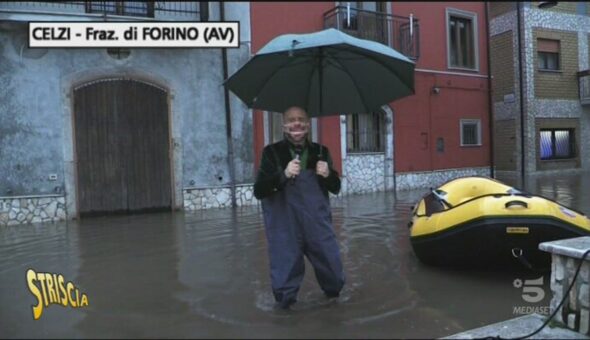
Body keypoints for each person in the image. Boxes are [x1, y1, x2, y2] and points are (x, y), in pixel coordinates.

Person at [254, 106, 345, 309]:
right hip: (285, 227)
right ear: (284, 125)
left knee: (333, 273)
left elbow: (336, 188)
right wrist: (283, 175)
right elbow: (259, 191)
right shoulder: (271, 153)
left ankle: (334, 311)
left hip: (317, 225)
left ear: (307, 124)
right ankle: (286, 322)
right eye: (291, 120)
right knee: (284, 287)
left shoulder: (321, 152)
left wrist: (328, 174)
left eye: (301, 119)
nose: (297, 123)